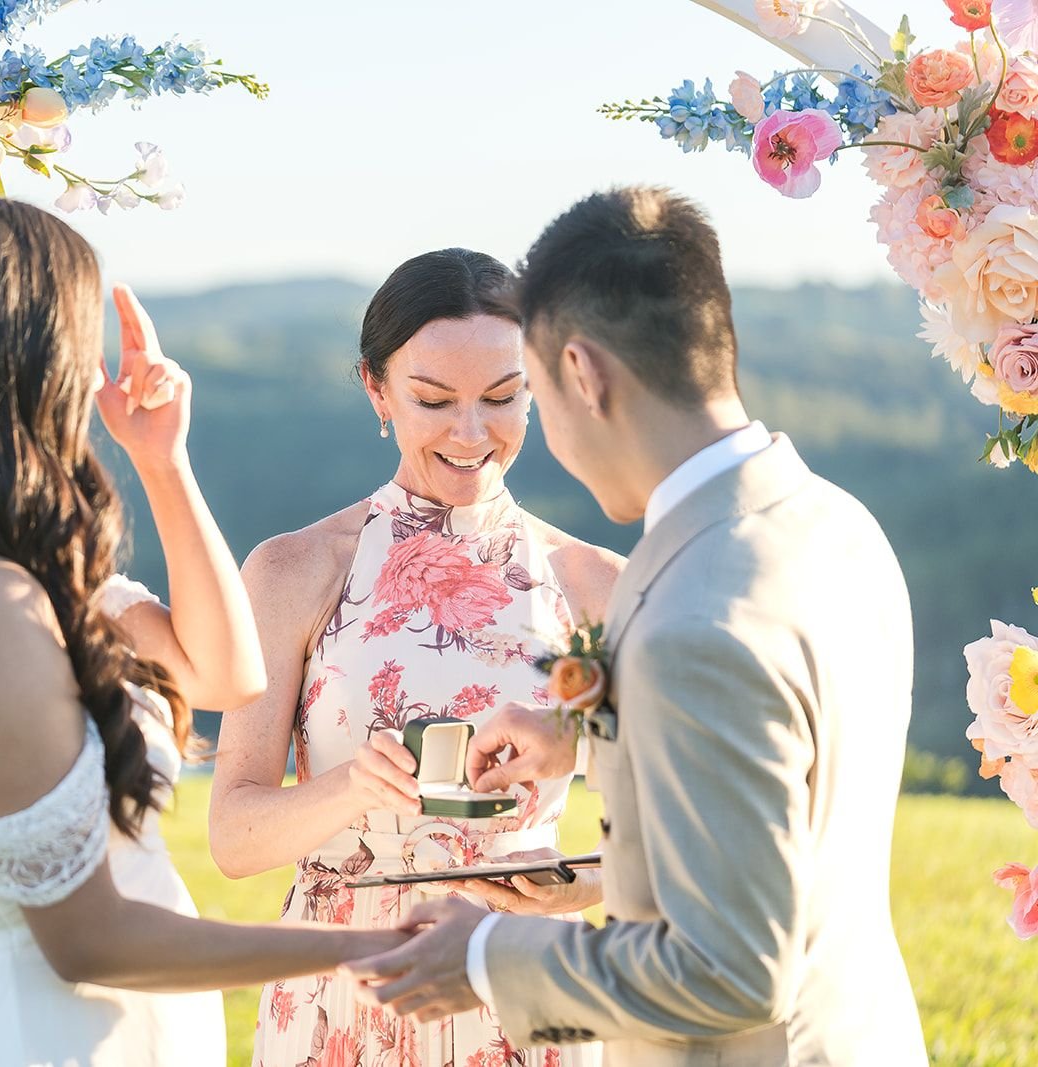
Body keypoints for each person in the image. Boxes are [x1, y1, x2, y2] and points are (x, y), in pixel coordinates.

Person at [0, 196, 410, 1066]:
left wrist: (162, 459)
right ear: (19, 358)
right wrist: (370, 945)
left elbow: (226, 674)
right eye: (75, 341)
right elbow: (89, 939)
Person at [341, 187, 929, 1067]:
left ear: (581, 374)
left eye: (524, 390)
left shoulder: (697, 614)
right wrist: (586, 738)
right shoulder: (836, 524)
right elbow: (783, 770)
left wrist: (484, 958)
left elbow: (729, 970)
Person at [209, 248, 623, 1065]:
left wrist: (582, 882)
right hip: (340, 989)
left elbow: (667, 835)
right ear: (377, 389)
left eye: (502, 397)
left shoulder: (598, 585)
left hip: (520, 982)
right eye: (433, 400)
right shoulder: (293, 571)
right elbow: (232, 837)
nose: (471, 433)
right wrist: (352, 787)